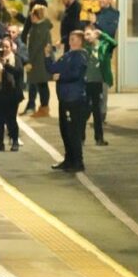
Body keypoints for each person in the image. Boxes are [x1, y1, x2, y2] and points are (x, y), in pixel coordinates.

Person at [45, 30, 88, 172]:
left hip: (74, 99)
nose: (71, 41)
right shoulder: (67, 55)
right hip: (64, 98)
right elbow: (53, 68)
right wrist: (47, 56)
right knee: (65, 130)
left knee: (73, 131)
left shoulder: (81, 56)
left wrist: (61, 77)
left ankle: (78, 161)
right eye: (70, 38)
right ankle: (69, 159)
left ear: (81, 41)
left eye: (74, 39)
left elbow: (75, 74)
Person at [0, 37, 24, 151]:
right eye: (3, 46)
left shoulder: (16, 59)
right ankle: (0, 143)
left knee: (11, 119)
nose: (5, 49)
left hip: (11, 95)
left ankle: (15, 141)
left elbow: (18, 72)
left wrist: (6, 65)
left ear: (11, 48)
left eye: (7, 47)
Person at [81, 26, 116, 146]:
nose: (87, 37)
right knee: (84, 112)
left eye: (89, 34)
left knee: (97, 112)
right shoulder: (84, 48)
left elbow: (114, 43)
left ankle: (99, 138)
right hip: (86, 83)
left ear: (95, 34)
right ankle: (81, 138)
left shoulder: (103, 46)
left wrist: (102, 34)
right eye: (85, 35)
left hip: (97, 83)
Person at [24, 4, 52, 117]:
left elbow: (35, 46)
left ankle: (44, 108)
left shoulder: (40, 28)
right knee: (40, 83)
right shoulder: (39, 27)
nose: (31, 16)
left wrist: (29, 60)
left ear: (36, 15)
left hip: (39, 60)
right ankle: (41, 107)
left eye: (33, 14)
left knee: (42, 84)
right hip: (39, 59)